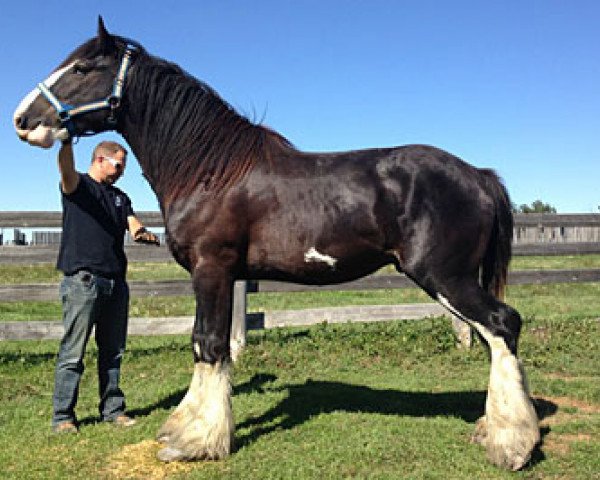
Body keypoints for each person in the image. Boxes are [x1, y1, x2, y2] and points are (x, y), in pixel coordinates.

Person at [52, 140, 160, 433]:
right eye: (118, 164)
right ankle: (63, 417)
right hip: (83, 282)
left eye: (124, 165)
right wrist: (64, 142)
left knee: (113, 351)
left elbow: (133, 223)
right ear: (100, 159)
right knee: (73, 352)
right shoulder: (78, 187)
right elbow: (65, 169)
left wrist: (142, 232)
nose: (122, 170)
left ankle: (112, 410)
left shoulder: (120, 197)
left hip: (116, 284)